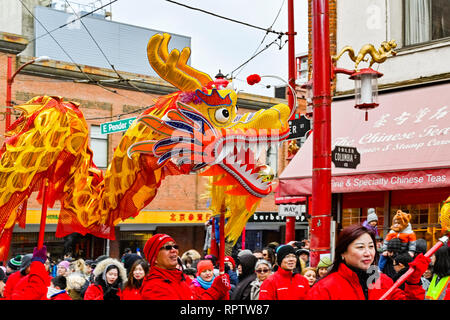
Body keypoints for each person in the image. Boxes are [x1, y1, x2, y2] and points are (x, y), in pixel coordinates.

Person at [306, 224, 429, 300]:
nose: (368, 253)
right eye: (360, 247)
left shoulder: (380, 281)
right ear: (343, 252)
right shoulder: (325, 288)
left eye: (371, 247)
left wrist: (414, 280)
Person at [140, 233, 230, 300]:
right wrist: (216, 290)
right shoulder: (153, 288)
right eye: (167, 247)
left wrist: (221, 290)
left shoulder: (181, 278)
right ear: (155, 258)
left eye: (175, 246)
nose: (174, 250)